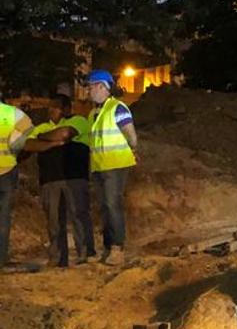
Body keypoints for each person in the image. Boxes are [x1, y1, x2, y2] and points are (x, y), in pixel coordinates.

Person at [21, 94, 96, 266]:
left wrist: (42, 139)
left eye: (56, 107)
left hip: (75, 177)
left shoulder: (79, 121)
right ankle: (57, 259)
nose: (51, 110)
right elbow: (27, 145)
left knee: (79, 215)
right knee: (54, 221)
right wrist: (51, 143)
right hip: (49, 179)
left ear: (67, 109)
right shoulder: (41, 127)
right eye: (50, 106)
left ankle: (86, 255)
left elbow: (64, 133)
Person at [85, 70, 138, 266]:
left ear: (102, 86)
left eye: (90, 86)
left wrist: (132, 149)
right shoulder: (93, 113)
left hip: (115, 165)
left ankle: (117, 248)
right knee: (105, 207)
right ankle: (109, 248)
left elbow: (131, 136)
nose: (88, 91)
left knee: (112, 204)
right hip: (99, 166)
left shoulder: (118, 108)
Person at [0, 98, 35, 266]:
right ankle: (1, 257)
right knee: (4, 217)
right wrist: (15, 150)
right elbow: (28, 134)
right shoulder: (12, 113)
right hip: (7, 170)